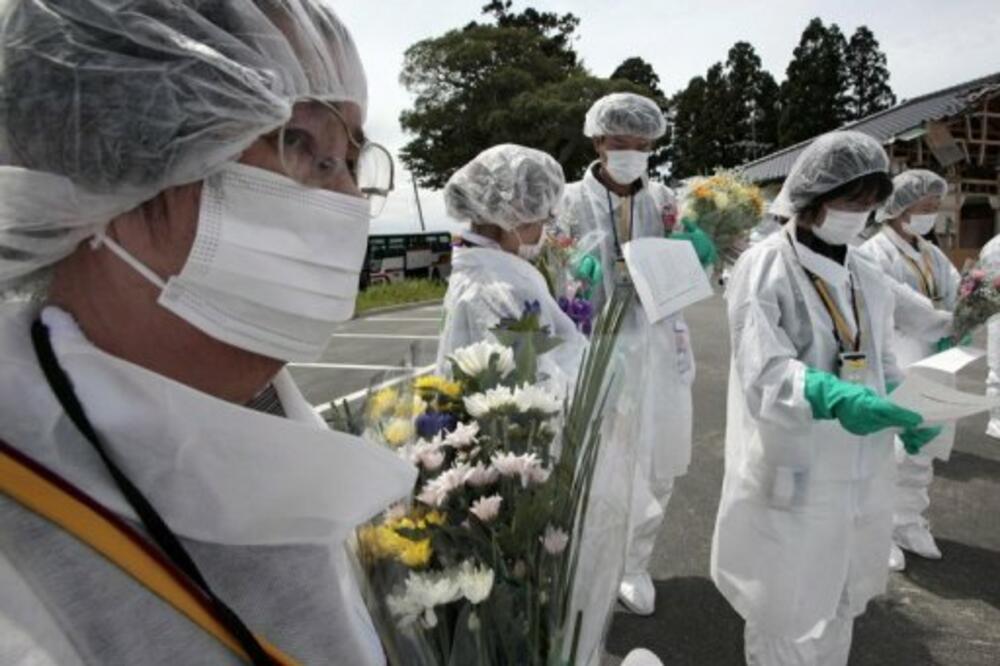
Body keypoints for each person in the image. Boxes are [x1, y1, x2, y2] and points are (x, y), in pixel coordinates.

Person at [0, 2, 416, 664]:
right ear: (116, 155)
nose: (346, 199)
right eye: (300, 143)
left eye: (349, 159)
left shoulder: (261, 407)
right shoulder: (22, 551)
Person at [712, 131, 942, 665]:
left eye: (867, 205)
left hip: (859, 467)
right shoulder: (765, 265)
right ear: (813, 198)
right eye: (847, 202)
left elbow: (881, 357)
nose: (857, 216)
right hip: (791, 464)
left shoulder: (866, 273)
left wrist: (909, 404)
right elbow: (763, 370)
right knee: (785, 602)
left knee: (839, 598)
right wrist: (830, 394)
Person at [558, 92, 695, 616]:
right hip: (593, 341)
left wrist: (697, 253)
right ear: (597, 141)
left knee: (656, 458)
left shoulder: (665, 200)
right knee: (596, 457)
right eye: (620, 143)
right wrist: (572, 272)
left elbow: (688, 267)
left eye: (643, 145)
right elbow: (548, 261)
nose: (631, 154)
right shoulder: (568, 200)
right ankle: (586, 561)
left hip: (657, 340)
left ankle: (635, 564)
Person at [858, 169, 960, 571]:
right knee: (891, 447)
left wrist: (969, 310)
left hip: (935, 356)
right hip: (896, 354)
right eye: (925, 206)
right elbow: (897, 303)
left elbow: (956, 288)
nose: (932, 213)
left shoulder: (931, 252)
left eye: (936, 206)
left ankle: (909, 520)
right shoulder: (874, 253)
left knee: (925, 445)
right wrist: (945, 320)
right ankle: (878, 528)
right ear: (899, 207)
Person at [435, 144, 587, 390]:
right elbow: (536, 388)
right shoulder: (504, 289)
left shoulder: (474, 271)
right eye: (542, 220)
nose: (543, 233)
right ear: (514, 216)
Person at [982, 233, 1000, 439]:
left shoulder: (991, 246)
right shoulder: (995, 247)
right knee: (997, 375)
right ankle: (996, 421)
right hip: (998, 317)